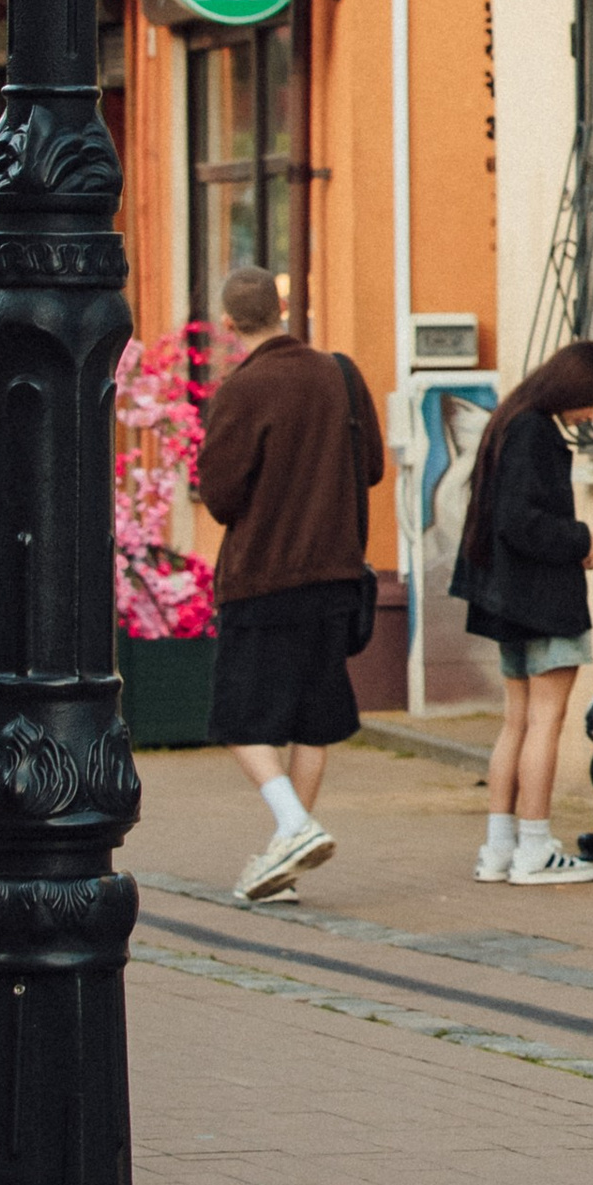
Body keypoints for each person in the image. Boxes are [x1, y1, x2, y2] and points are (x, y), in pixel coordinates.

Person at [195, 265, 387, 905]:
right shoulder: (340, 374)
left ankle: (293, 825)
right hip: (335, 576)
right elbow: (371, 467)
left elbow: (220, 497)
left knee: (238, 719)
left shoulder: (241, 390)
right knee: (313, 720)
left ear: (228, 324)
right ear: (282, 312)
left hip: (263, 578)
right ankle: (287, 864)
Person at [450, 339, 593, 887]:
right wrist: (581, 539)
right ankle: (536, 848)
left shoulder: (508, 421)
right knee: (546, 722)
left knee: (516, 721)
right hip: (543, 599)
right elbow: (521, 521)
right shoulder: (535, 431)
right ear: (574, 389)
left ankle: (500, 849)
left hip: (508, 599)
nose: (592, 416)